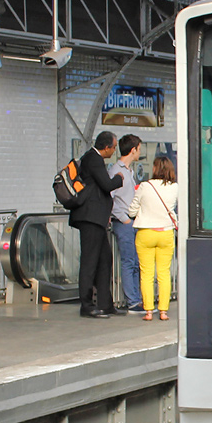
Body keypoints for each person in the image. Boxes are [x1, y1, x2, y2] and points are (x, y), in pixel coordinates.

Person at [69, 131, 123, 318]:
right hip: (90, 218)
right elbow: (107, 184)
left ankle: (105, 304)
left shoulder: (92, 159)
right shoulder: (93, 159)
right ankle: (86, 305)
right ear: (106, 147)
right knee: (90, 261)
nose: (114, 150)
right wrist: (119, 179)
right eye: (114, 147)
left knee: (104, 260)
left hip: (97, 219)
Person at [127, 156, 178, 322]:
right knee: (164, 273)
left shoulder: (145, 186)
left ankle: (148, 311)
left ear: (155, 169)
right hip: (165, 233)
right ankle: (163, 311)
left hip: (146, 233)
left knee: (146, 273)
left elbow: (132, 211)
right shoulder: (175, 188)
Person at [109, 134, 144, 314]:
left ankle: (136, 299)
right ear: (133, 149)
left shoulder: (129, 171)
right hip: (124, 223)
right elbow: (111, 198)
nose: (140, 152)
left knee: (136, 262)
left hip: (131, 222)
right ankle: (132, 301)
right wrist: (124, 219)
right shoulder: (117, 171)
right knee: (129, 261)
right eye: (139, 149)